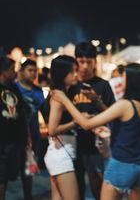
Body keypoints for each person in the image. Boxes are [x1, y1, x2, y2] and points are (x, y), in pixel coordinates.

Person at [51, 63, 140, 200]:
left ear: (132, 81)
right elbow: (133, 131)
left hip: (121, 166)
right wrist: (98, 103)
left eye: (124, 77)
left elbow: (86, 124)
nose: (121, 80)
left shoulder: (125, 105)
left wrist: (65, 101)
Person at [72, 41, 116, 200]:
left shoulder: (103, 85)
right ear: (75, 61)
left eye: (88, 62)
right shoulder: (70, 85)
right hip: (72, 142)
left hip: (96, 144)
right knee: (76, 184)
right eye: (81, 61)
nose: (84, 66)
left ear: (95, 62)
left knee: (96, 180)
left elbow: (113, 113)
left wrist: (97, 101)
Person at [43, 55, 80, 200]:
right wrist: (75, 123)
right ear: (62, 73)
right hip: (61, 155)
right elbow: (52, 130)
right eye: (73, 71)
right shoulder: (59, 97)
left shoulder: (58, 93)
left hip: (57, 152)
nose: (76, 74)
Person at [15, 59, 45, 200]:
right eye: (30, 70)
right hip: (15, 138)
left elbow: (45, 113)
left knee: (28, 170)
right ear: (21, 71)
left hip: (34, 138)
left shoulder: (38, 91)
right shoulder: (13, 89)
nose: (33, 74)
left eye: (35, 71)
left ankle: (28, 196)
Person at [0, 56, 28, 200]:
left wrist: (26, 138)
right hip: (1, 142)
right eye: (12, 70)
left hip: (15, 141)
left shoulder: (14, 87)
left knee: (12, 174)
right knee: (1, 178)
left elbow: (22, 112)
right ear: (3, 71)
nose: (15, 72)